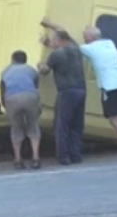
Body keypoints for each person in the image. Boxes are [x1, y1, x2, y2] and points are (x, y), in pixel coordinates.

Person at [42, 18, 117, 160]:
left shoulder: (88, 48)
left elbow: (66, 40)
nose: (83, 36)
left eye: (84, 34)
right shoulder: (110, 43)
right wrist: (50, 42)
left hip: (110, 86)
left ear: (90, 37)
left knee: (115, 120)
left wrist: (49, 25)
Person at [37, 29, 86, 166]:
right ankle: (76, 155)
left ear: (58, 40)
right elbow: (66, 38)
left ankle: (63, 157)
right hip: (81, 89)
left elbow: (45, 71)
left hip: (66, 91)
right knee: (77, 124)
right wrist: (48, 40)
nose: (52, 43)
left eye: (53, 40)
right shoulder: (77, 49)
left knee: (62, 125)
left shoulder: (56, 55)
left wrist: (40, 65)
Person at [0, 50, 42, 170]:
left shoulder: (6, 71)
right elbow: (36, 86)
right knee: (33, 125)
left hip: (12, 98)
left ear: (12, 59)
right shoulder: (31, 70)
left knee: (16, 128)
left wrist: (5, 104)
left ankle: (18, 160)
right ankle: (35, 158)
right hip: (30, 96)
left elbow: (3, 89)